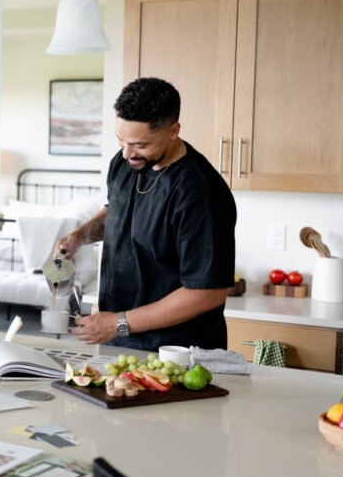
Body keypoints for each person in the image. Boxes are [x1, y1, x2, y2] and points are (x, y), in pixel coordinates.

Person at [55, 77, 236, 351]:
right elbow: (119, 210)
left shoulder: (201, 192)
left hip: (178, 353)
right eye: (121, 141)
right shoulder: (124, 163)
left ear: (173, 130)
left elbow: (207, 293)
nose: (128, 153)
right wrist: (81, 236)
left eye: (140, 145)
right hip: (119, 342)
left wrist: (118, 323)